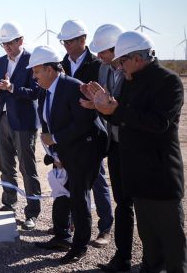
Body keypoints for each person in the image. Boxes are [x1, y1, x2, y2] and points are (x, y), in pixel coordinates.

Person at [87, 31, 187, 272]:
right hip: (138, 176)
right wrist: (101, 107)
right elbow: (120, 115)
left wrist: (114, 111)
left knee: (172, 243)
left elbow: (158, 123)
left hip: (161, 176)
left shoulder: (169, 82)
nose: (119, 68)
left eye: (122, 62)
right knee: (150, 241)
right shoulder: (132, 81)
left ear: (137, 58)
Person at [29, 45, 107, 264]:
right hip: (63, 152)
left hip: (84, 151)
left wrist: (56, 139)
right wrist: (54, 151)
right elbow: (46, 121)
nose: (34, 77)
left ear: (50, 70)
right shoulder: (46, 90)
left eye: (36, 72)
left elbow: (84, 123)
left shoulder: (74, 87)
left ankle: (79, 246)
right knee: (61, 193)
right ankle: (62, 236)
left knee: (79, 197)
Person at [80, 23, 136, 272]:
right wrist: (96, 104)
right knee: (122, 201)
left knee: (138, 203)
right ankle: (122, 257)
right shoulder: (104, 69)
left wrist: (109, 107)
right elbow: (105, 105)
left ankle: (157, 258)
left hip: (134, 145)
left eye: (103, 52)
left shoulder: (134, 75)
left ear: (117, 49)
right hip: (112, 143)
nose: (100, 57)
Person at [56, 19, 113, 248]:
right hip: (68, 133)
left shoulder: (98, 65)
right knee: (69, 179)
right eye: (64, 41)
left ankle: (105, 228)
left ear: (83, 40)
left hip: (92, 132)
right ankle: (72, 223)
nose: (67, 45)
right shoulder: (61, 65)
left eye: (71, 41)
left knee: (96, 178)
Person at [0, 22, 41, 230]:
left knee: (28, 167)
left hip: (24, 121)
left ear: (20, 41)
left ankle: (32, 212)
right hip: (3, 119)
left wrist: (13, 87)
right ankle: (8, 204)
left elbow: (36, 91)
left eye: (9, 43)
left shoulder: (33, 60)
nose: (6, 47)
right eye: (3, 44)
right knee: (6, 166)